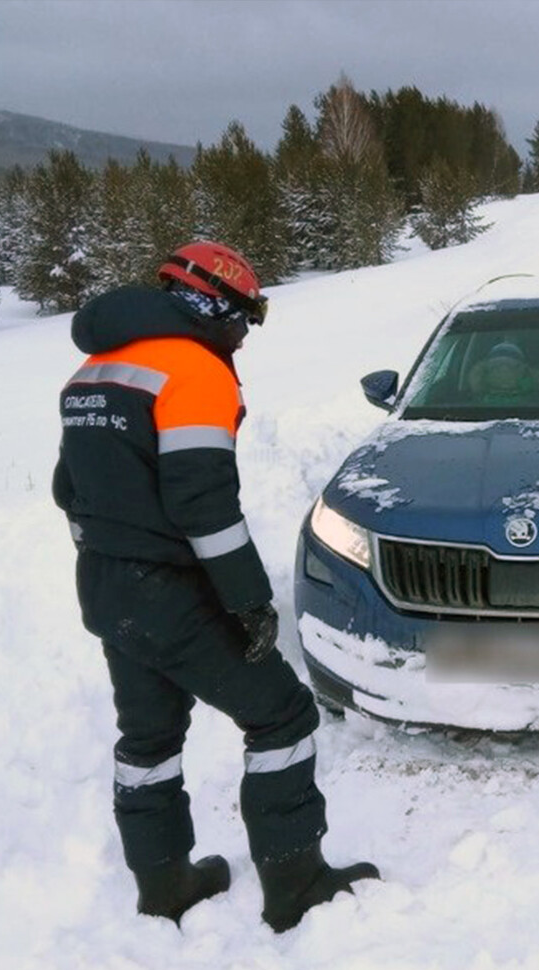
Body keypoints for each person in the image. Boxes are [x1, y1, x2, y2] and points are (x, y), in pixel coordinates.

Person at [53, 240, 378, 930]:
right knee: (282, 716)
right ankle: (295, 882)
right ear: (216, 306)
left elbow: (66, 488)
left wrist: (112, 547)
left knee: (148, 739)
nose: (246, 336)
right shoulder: (194, 370)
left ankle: (164, 883)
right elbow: (203, 504)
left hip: (106, 587)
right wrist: (248, 600)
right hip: (168, 588)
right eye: (247, 319)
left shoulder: (93, 371)